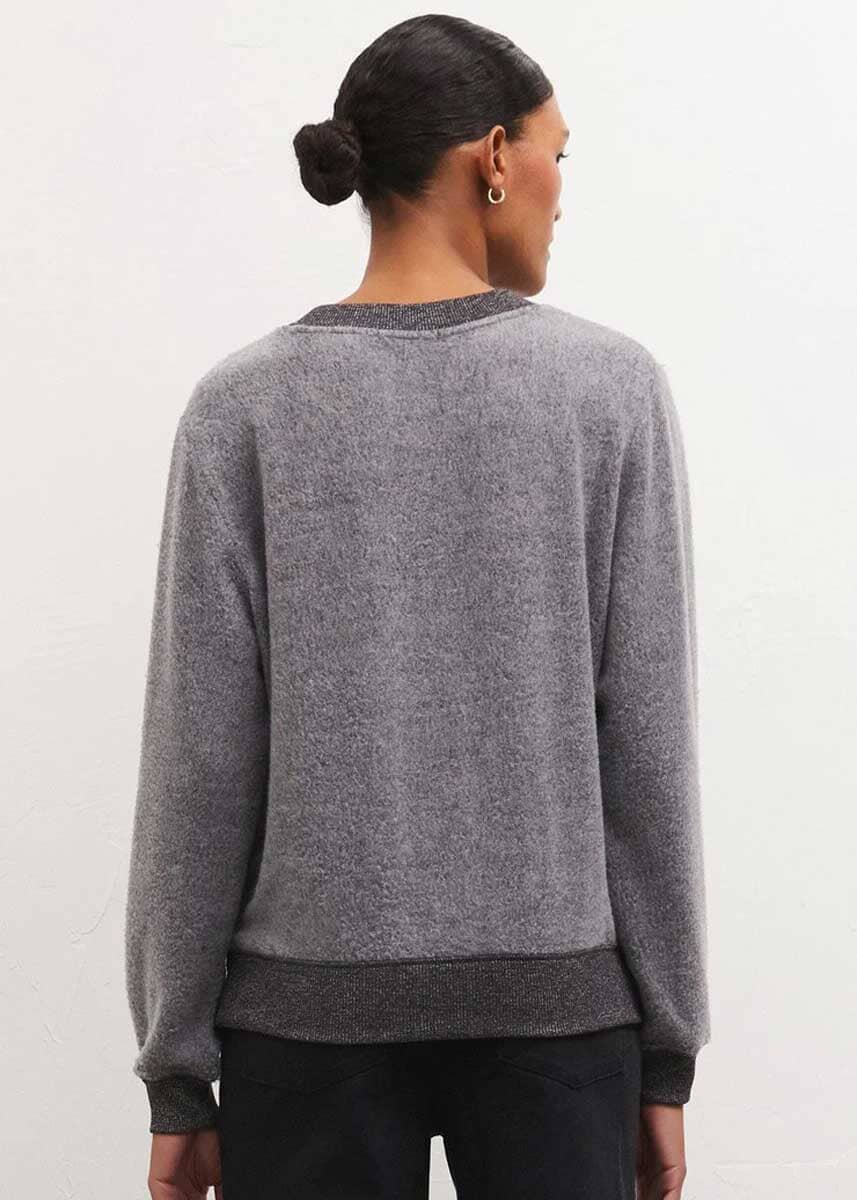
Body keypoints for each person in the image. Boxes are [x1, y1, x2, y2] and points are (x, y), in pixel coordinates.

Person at [124, 13, 711, 1200]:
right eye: (555, 154)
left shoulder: (243, 407)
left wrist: (178, 1069)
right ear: (491, 156)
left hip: (301, 1035)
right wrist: (665, 1052)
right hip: (560, 1032)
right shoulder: (608, 391)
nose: (559, 191)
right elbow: (645, 746)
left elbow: (200, 761)